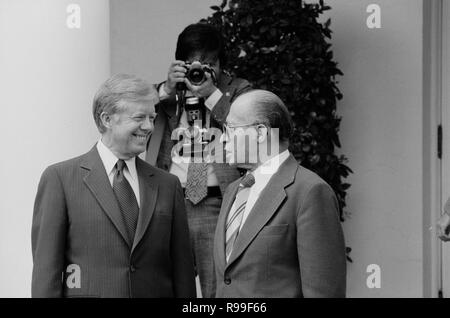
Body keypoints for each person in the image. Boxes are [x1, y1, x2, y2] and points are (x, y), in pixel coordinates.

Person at [31, 74, 196, 298]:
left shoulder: (168, 184)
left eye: (152, 117)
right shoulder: (60, 179)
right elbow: (46, 273)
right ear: (107, 119)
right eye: (139, 117)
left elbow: (182, 272)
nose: (149, 126)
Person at [146, 23, 251, 298]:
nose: (202, 70)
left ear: (221, 64)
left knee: (216, 289)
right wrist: (166, 88)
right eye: (195, 62)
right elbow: (133, 107)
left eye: (210, 63)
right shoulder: (170, 92)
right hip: (169, 203)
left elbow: (249, 129)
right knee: (165, 286)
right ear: (181, 63)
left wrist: (211, 96)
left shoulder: (237, 90)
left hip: (216, 205)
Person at [214, 90, 347, 298]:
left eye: (230, 129)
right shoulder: (233, 190)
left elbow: (324, 292)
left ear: (260, 132)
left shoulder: (310, 191)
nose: (222, 139)